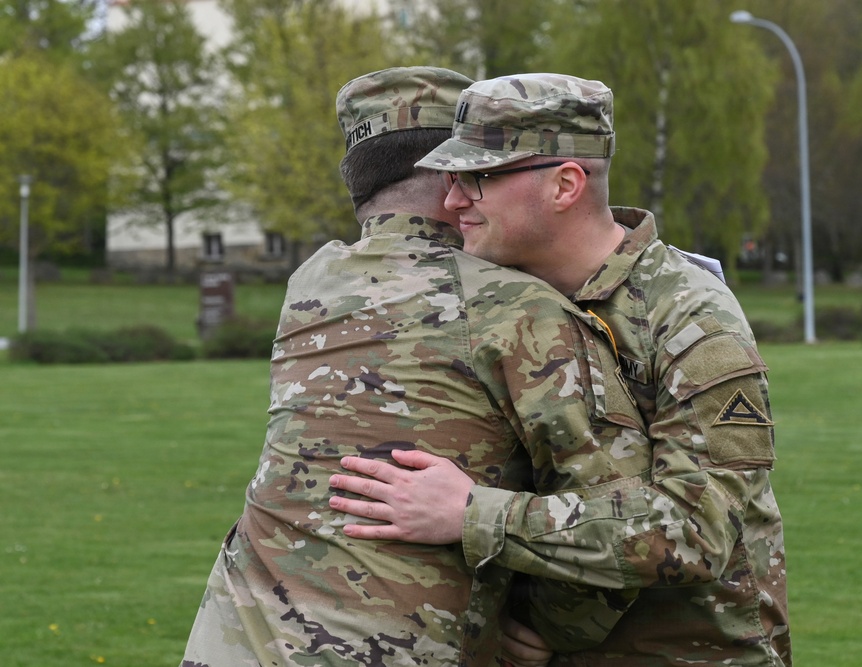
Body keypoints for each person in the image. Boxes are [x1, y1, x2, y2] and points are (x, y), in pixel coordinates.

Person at [178, 67, 653, 667]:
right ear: (453, 175)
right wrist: (556, 628)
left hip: (237, 639)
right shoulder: (514, 307)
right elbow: (624, 509)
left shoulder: (313, 280)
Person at [328, 73, 792, 666]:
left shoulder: (688, 316)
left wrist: (471, 514)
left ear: (566, 184)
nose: (451, 201)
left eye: (479, 178)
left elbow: (696, 529)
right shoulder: (506, 303)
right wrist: (545, 617)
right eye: (451, 178)